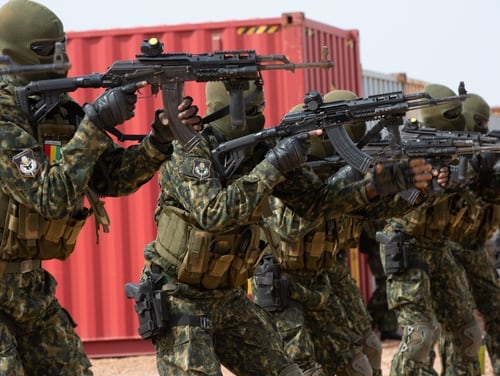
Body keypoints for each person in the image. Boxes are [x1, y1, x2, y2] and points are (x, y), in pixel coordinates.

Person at [134, 79, 438, 375]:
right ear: (230, 108)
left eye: (261, 106)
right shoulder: (190, 150)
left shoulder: (259, 151)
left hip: (227, 296)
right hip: (180, 295)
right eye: (252, 108)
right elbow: (213, 213)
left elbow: (315, 203)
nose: (260, 114)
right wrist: (274, 165)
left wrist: (372, 188)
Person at [0, 0, 202, 374]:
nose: (60, 56)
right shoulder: (4, 115)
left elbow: (112, 177)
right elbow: (50, 197)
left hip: (30, 288)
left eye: (62, 45)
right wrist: (94, 123)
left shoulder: (56, 109)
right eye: (47, 49)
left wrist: (159, 140)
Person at [378, 83, 485, 376]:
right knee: (420, 337)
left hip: (438, 246)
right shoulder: (401, 145)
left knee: (467, 332)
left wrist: (453, 176)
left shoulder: (452, 143)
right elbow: (392, 197)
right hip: (406, 246)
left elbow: (471, 170)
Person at [437, 93, 500, 376]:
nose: (482, 130)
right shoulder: (444, 151)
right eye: (479, 124)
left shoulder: (479, 154)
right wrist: (476, 164)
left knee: (495, 312)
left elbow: (488, 193)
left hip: (474, 248)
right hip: (449, 248)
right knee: (459, 325)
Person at [359, 223, 402, 341]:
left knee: (392, 279)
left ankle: (388, 327)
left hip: (388, 238)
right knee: (387, 284)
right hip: (376, 240)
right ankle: (365, 323)